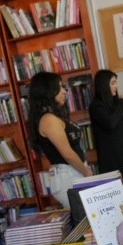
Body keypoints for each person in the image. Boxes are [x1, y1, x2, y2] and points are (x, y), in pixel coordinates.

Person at [27, 72, 92, 208]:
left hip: (71, 174)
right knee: (85, 222)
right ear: (49, 91)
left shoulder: (52, 116)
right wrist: (87, 172)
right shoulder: (48, 119)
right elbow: (67, 154)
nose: (64, 91)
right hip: (68, 176)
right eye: (60, 87)